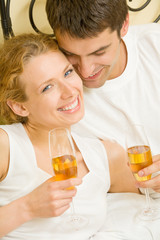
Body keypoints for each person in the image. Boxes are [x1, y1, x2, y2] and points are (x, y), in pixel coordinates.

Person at [0, 33, 150, 240]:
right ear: (19, 106)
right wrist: (26, 208)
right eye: (47, 87)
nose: (70, 91)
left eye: (68, 73)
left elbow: (150, 191)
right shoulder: (6, 146)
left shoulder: (104, 156)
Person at [45, 0, 160, 193]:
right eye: (69, 53)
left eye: (99, 52)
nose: (85, 70)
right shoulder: (53, 88)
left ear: (124, 25)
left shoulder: (154, 45)